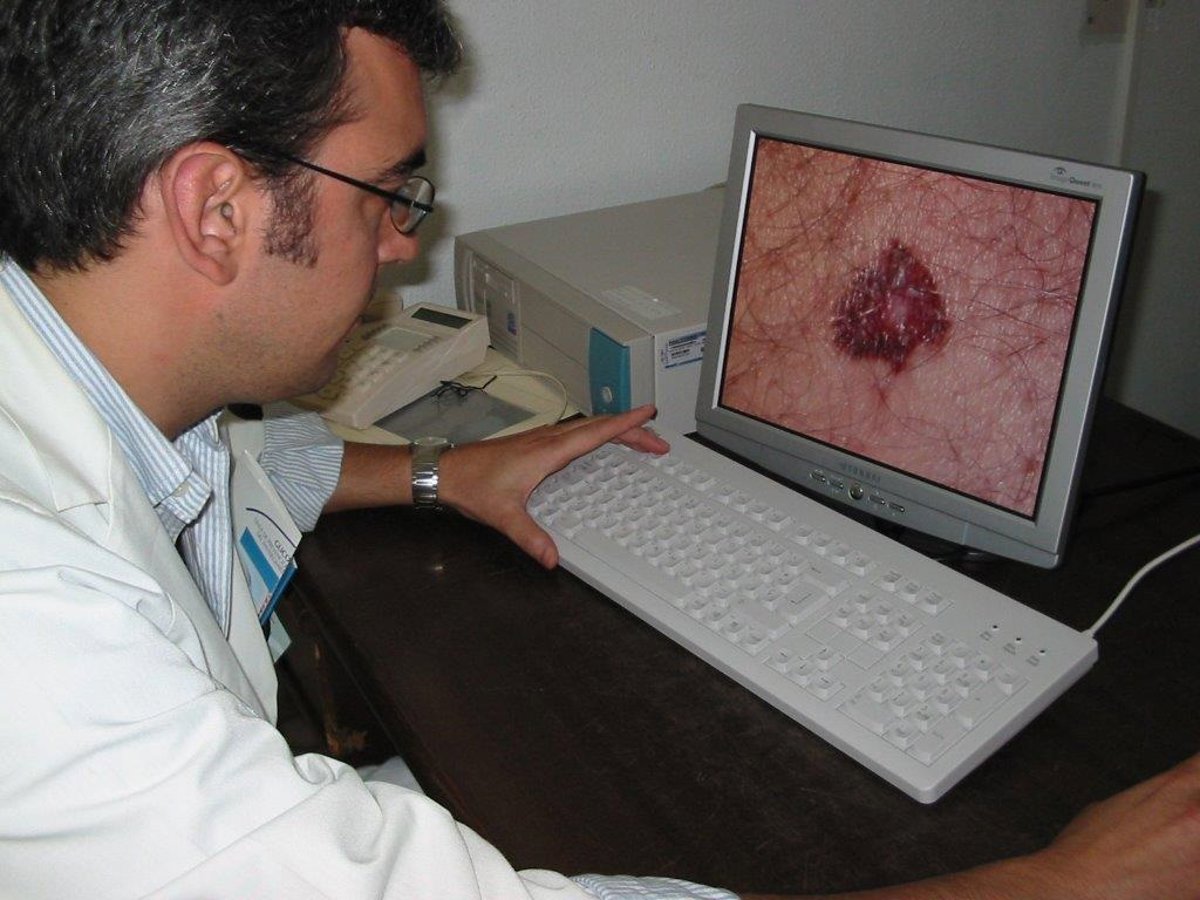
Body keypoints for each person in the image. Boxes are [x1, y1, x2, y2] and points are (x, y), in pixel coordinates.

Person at [0, 2, 1195, 898]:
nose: (405, 246)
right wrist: (1066, 883)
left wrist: (441, 473)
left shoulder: (101, 381)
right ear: (216, 211)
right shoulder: (41, 636)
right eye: (386, 194)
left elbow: (232, 475)